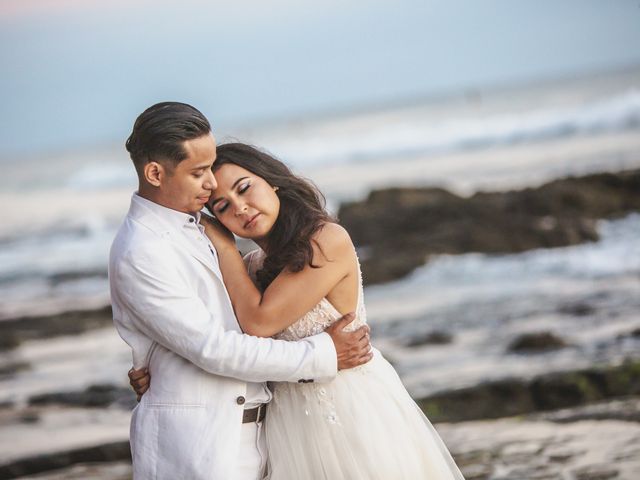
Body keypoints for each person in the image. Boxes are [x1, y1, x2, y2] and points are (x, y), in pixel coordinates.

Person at [131, 142, 465, 479]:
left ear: (272, 180)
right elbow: (213, 338)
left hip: (349, 407)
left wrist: (223, 246)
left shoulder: (325, 239)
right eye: (223, 206)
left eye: (245, 188)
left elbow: (260, 321)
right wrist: (161, 368)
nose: (241, 208)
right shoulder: (250, 269)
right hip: (285, 421)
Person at [110, 102, 372, 480]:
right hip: (205, 451)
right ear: (154, 172)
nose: (211, 185)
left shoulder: (207, 231)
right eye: (200, 173)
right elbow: (214, 347)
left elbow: (226, 322)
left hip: (276, 434)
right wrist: (324, 352)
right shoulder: (142, 251)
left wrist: (160, 364)